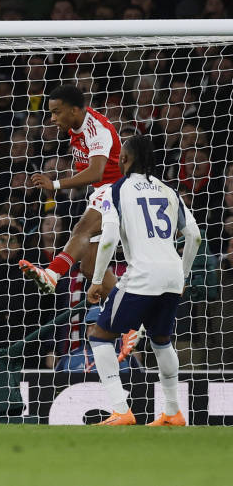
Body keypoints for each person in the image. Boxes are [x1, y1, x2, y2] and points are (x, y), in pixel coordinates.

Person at [84, 135, 201, 426]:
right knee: (162, 342)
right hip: (172, 274)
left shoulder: (116, 190)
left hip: (142, 274)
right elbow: (195, 236)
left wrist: (97, 279)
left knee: (100, 336)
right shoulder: (170, 191)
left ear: (124, 159)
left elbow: (109, 238)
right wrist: (184, 275)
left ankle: (120, 410)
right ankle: (172, 412)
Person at [19, 85, 123, 301]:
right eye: (51, 113)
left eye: (57, 112)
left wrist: (55, 184)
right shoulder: (75, 128)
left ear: (74, 110)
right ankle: (130, 313)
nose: (52, 119)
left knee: (82, 229)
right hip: (103, 191)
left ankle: (52, 274)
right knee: (90, 267)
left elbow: (96, 172)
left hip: (119, 189)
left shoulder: (96, 130)